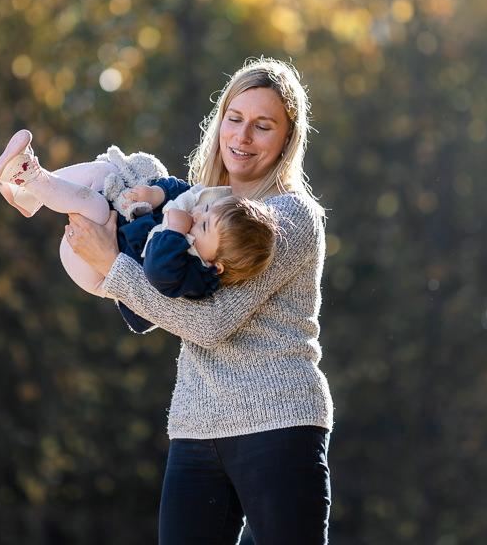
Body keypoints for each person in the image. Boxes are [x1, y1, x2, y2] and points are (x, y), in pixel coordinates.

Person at [63, 58, 334, 544]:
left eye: (263, 125)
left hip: (279, 422)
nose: (243, 136)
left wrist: (113, 265)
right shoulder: (195, 208)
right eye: (235, 118)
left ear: (287, 140)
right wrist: (125, 237)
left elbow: (212, 323)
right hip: (195, 423)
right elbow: (152, 306)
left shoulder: (289, 217)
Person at [0, 133, 278, 333]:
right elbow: (187, 193)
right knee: (105, 173)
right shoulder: (204, 225)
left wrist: (176, 232)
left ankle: (30, 174)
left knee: (95, 205)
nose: (197, 217)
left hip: (99, 272)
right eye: (206, 213)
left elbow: (157, 272)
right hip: (115, 239)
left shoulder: (197, 275)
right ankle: (28, 192)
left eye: (204, 225)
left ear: (217, 265)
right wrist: (157, 193)